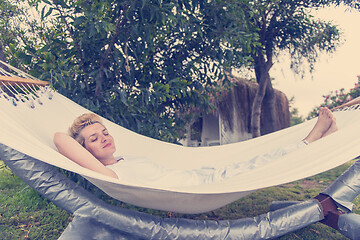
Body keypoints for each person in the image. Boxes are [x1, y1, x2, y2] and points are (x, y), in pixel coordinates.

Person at [53, 107, 338, 187]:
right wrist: (76, 132)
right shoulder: (110, 175)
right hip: (206, 187)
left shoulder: (126, 159)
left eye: (104, 132)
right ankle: (311, 141)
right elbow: (59, 138)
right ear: (86, 152)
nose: (104, 137)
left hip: (206, 174)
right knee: (264, 161)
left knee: (259, 157)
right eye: (94, 139)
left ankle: (319, 141)